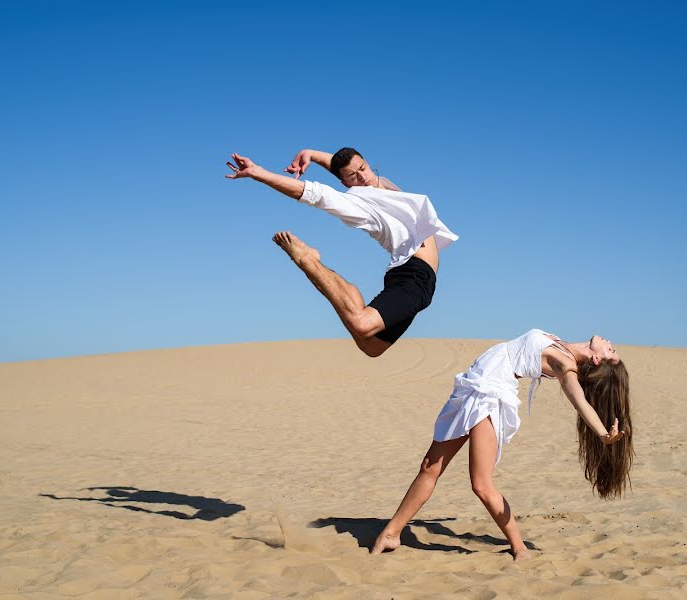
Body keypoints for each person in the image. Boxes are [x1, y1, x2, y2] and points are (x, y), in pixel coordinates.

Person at [371, 329, 633, 560]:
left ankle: (519, 548)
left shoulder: (566, 365)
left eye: (611, 350)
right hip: (474, 387)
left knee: (481, 484)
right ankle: (392, 533)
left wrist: (601, 433)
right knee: (430, 467)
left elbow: (579, 400)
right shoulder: (562, 345)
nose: (610, 342)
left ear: (597, 359)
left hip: (490, 395)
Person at [225, 147, 457, 357]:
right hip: (413, 274)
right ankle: (309, 261)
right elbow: (314, 194)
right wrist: (258, 172)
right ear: (347, 184)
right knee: (361, 324)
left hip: (416, 277)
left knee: (372, 347)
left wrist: (312, 154)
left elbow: (342, 167)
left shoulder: (381, 186)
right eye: (354, 177)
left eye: (363, 168)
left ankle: (314, 264)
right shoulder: (358, 204)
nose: (363, 177)